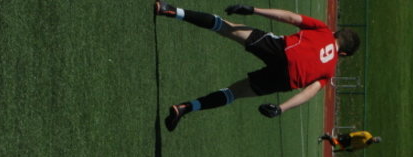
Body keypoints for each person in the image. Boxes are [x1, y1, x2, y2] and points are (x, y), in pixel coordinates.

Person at [154, 2, 360, 131]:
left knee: (225, 27)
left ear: (336, 33)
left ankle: (171, 10)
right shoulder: (329, 72)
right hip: (284, 79)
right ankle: (185, 108)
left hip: (281, 49)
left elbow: (289, 17)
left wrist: (253, 10)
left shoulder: (323, 29)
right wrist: (281, 109)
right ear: (343, 54)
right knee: (233, 93)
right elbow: (309, 93)